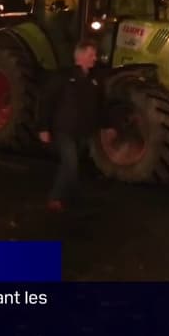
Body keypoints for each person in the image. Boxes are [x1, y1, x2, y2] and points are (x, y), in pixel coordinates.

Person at [36, 39, 114, 212]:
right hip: (64, 130)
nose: (95, 58)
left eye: (95, 55)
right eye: (91, 55)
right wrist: (43, 128)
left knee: (72, 164)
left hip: (83, 131)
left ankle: (73, 194)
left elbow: (100, 105)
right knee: (71, 163)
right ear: (80, 57)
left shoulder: (95, 80)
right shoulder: (63, 77)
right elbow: (47, 102)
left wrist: (107, 126)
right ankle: (55, 198)